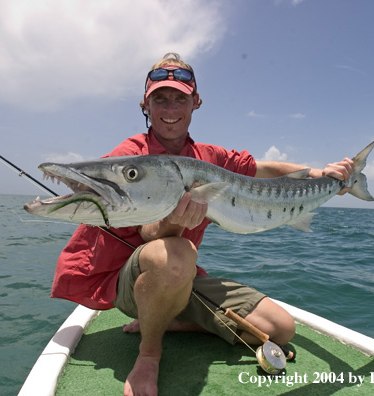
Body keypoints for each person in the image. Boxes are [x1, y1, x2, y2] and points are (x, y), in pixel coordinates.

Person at [51, 52, 354, 396]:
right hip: (132, 281)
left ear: (195, 102)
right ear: (145, 106)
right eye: (159, 99)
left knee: (279, 328)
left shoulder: (209, 158)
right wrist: (172, 225)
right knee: (176, 251)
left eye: (179, 98)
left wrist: (321, 175)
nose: (169, 108)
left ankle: (173, 320)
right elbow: (149, 235)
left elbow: (263, 168)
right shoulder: (131, 156)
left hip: (179, 276)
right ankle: (149, 354)